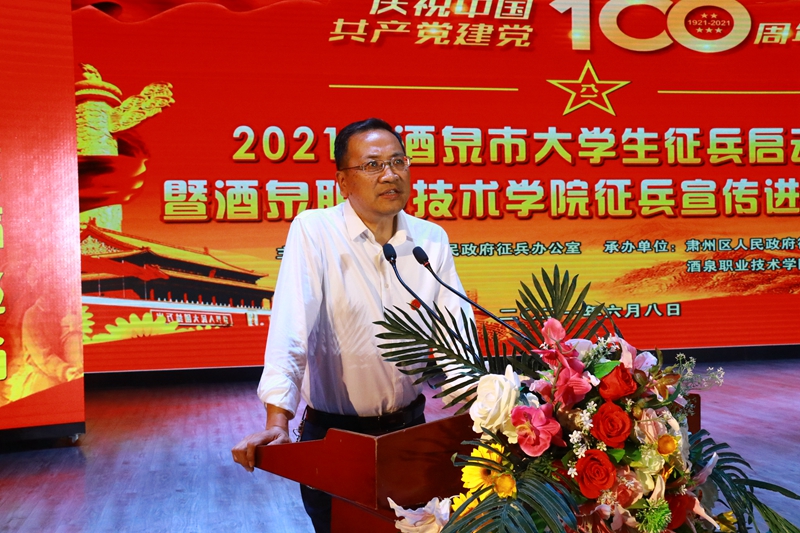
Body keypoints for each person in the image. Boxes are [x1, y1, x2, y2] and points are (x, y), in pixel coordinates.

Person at [231, 118, 471, 533]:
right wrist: (277, 421)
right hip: (334, 438)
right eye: (373, 165)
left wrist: (483, 411)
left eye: (398, 162)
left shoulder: (429, 240)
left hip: (409, 434)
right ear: (343, 181)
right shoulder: (314, 231)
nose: (390, 175)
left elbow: (457, 335)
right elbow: (290, 329)